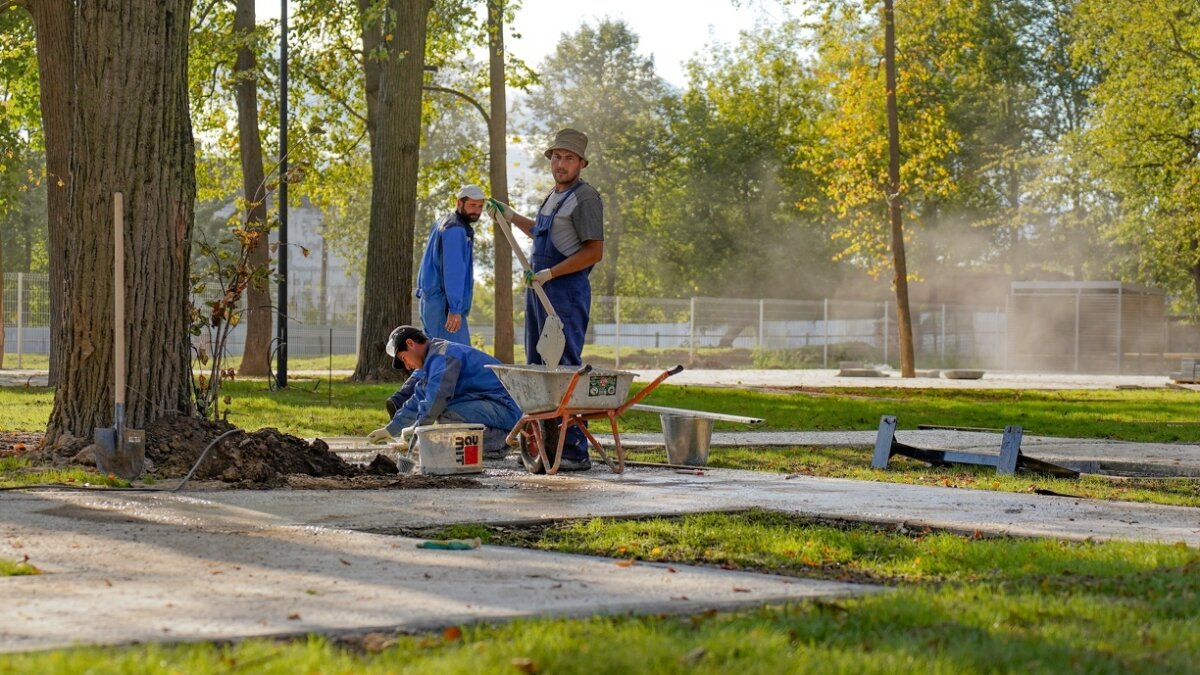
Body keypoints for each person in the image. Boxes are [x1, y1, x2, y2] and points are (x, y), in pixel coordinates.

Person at [487, 128, 603, 471]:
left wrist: (553, 273)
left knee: (563, 367)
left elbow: (594, 251)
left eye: (568, 158)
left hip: (565, 294)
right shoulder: (553, 195)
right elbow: (541, 229)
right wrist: (510, 216)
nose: (561, 164)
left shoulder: (586, 198)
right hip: (538, 291)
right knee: (539, 369)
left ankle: (574, 449)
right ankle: (548, 446)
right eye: (556, 157)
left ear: (581, 163)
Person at [368, 325, 521, 459]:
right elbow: (418, 399)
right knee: (447, 416)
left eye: (404, 358)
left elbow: (436, 400)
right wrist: (390, 429)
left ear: (410, 344)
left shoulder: (442, 358)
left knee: (447, 417)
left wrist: (418, 429)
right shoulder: (434, 358)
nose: (407, 366)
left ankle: (501, 442)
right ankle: (502, 438)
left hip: (507, 407)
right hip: (497, 405)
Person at [416, 184, 485, 344]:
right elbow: (454, 272)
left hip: (431, 302)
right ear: (459, 203)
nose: (476, 211)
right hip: (444, 306)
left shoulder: (443, 223)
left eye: (480, 206)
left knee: (435, 355)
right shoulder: (455, 229)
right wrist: (455, 309)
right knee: (454, 358)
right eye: (472, 205)